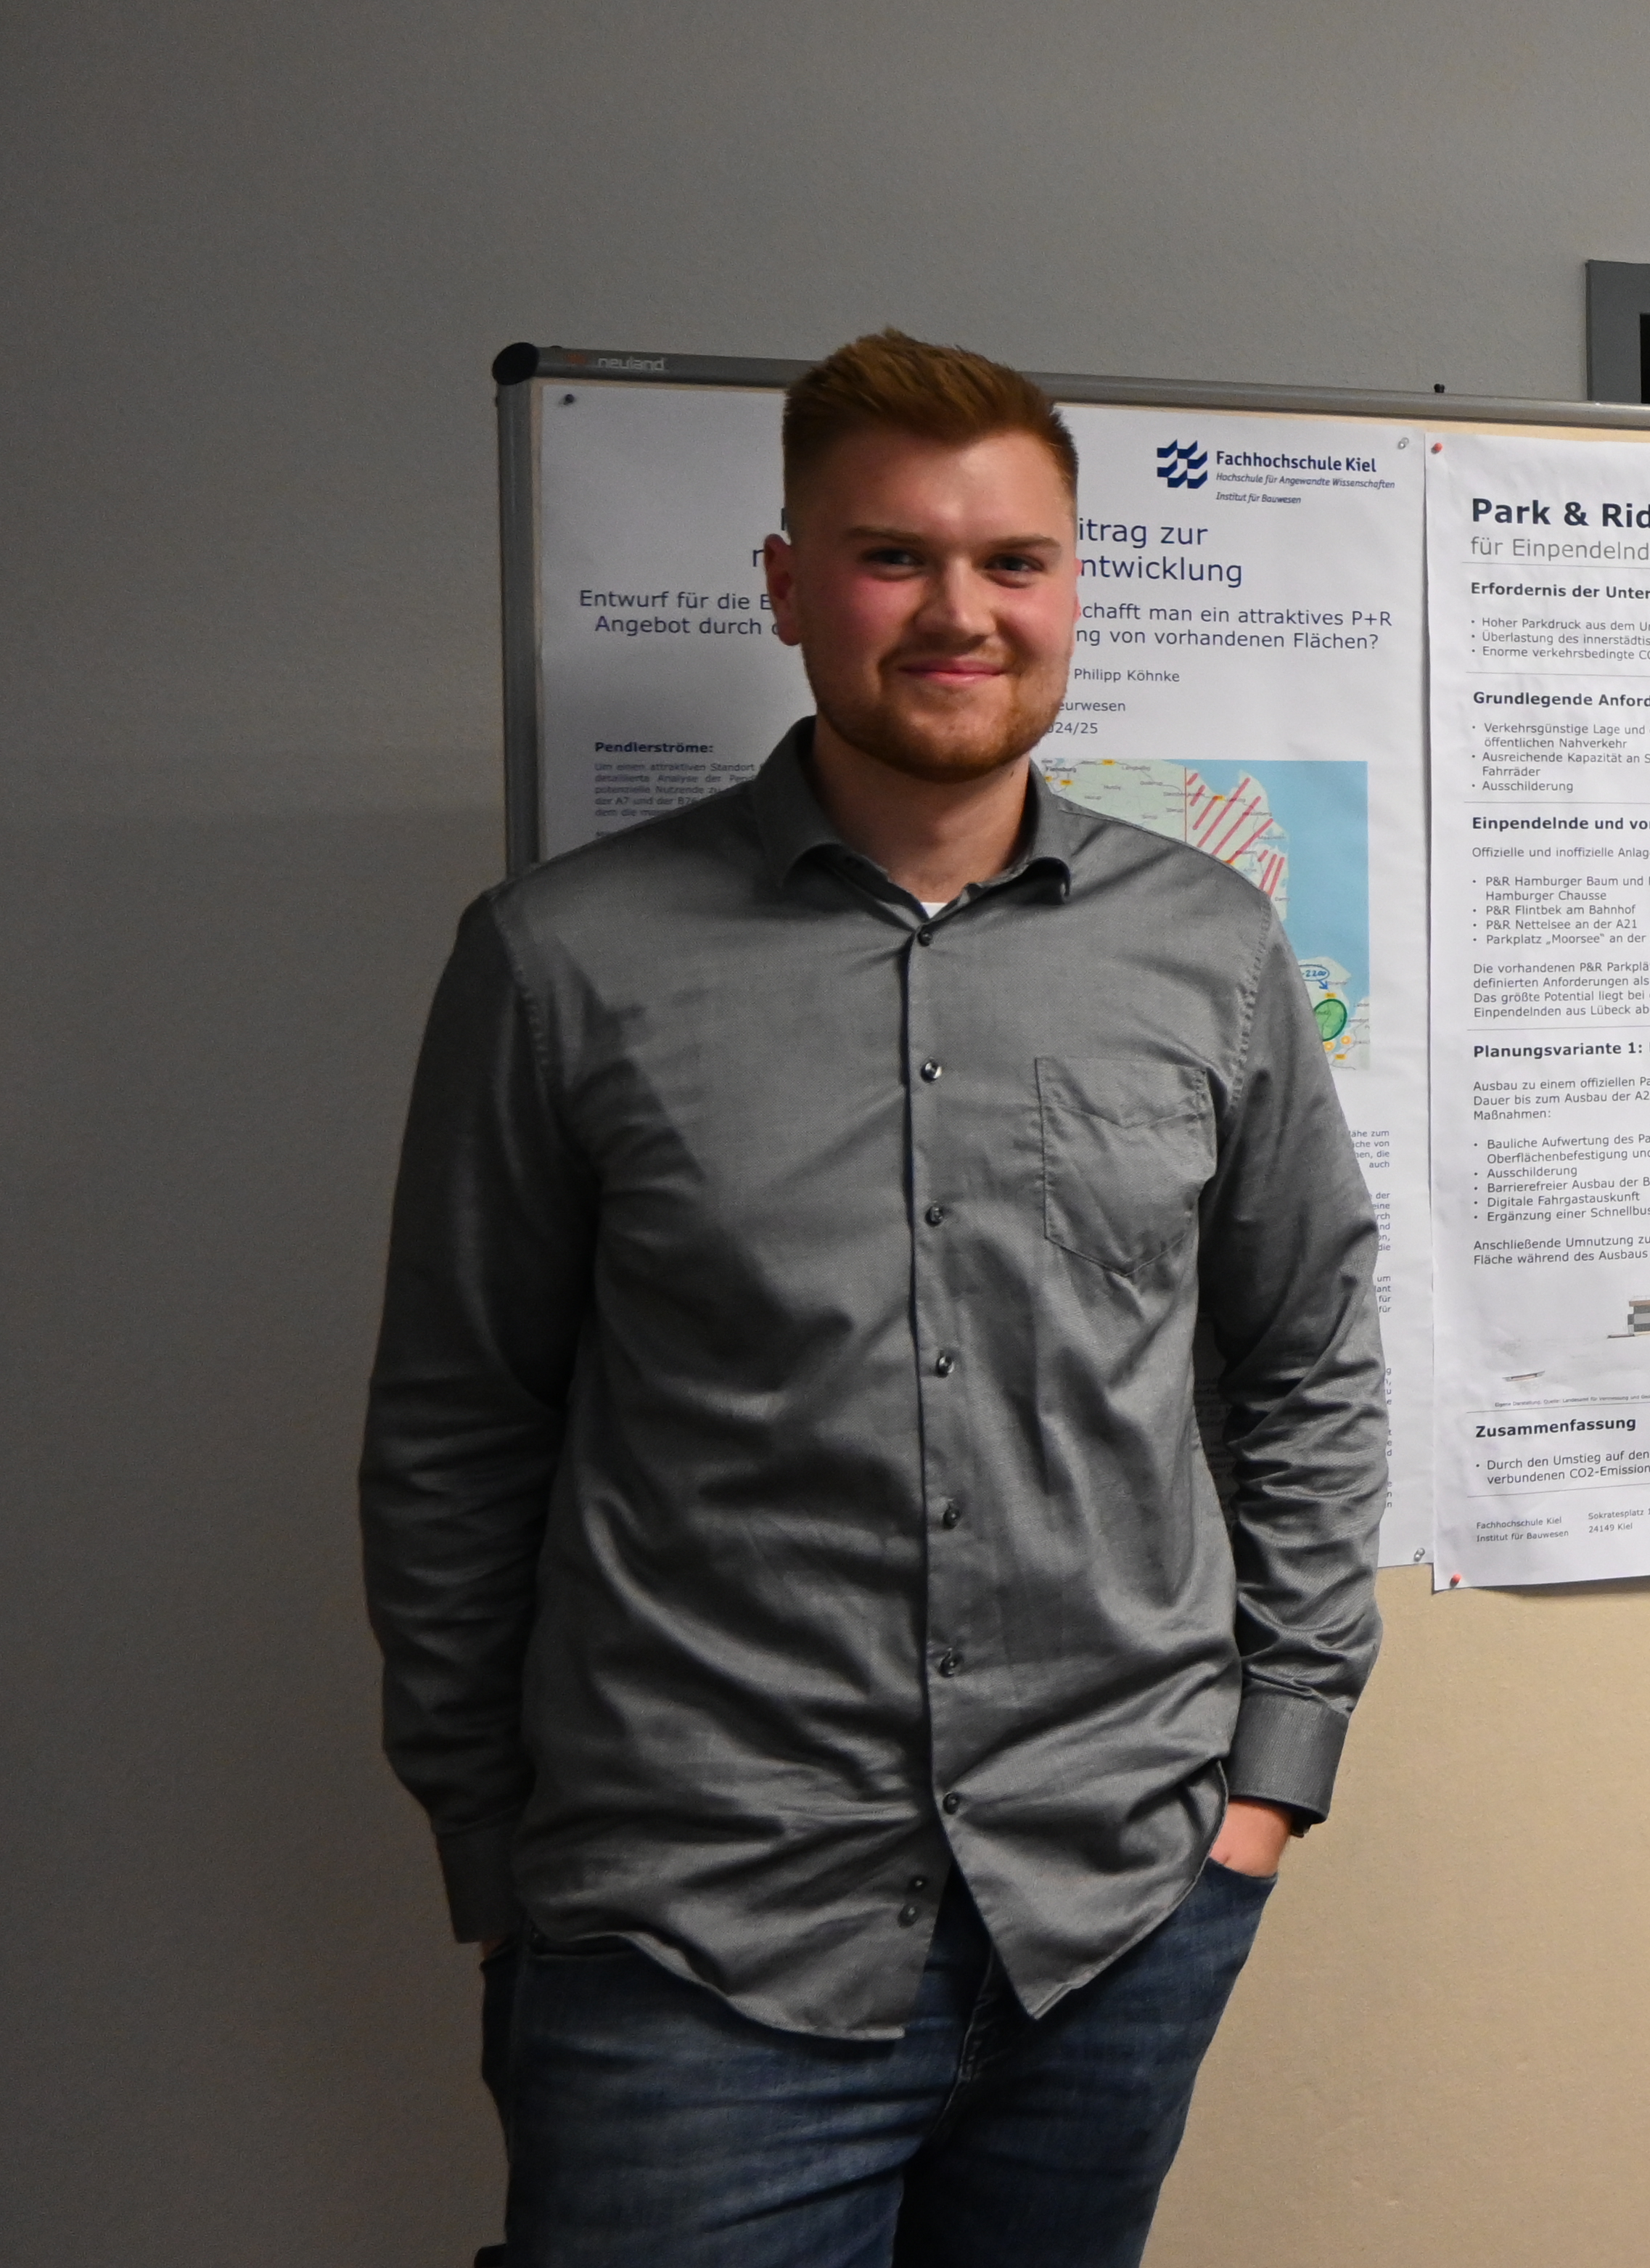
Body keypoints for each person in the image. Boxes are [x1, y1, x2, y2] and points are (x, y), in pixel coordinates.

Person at [361, 329, 1387, 2266]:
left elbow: (1309, 1357)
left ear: (1075, 583)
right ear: (787, 585)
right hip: (691, 1944)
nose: (959, 613)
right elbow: (455, 1430)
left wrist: (1269, 1781)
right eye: (893, 557)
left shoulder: (1211, 949)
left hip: (1110, 1916)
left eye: (1013, 561)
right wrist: (493, 1854)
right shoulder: (563, 962)